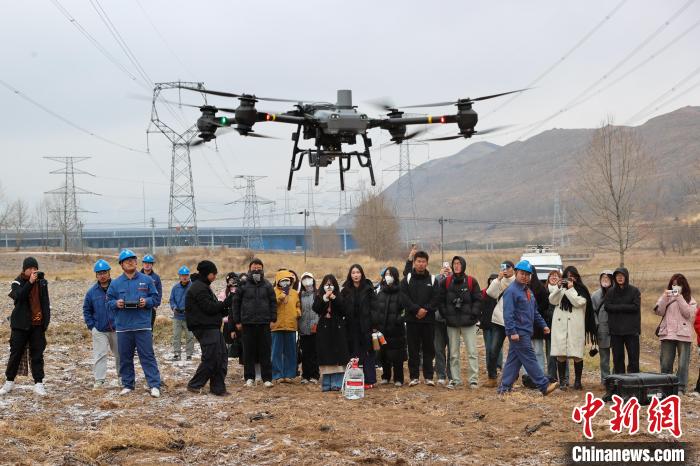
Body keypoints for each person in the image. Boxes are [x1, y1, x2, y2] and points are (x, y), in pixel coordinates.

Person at [498, 260, 558, 396]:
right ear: (516, 273)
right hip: (518, 332)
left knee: (513, 361)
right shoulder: (511, 291)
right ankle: (543, 385)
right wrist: (512, 331)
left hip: (526, 331)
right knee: (530, 358)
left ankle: (504, 388)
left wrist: (543, 325)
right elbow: (508, 314)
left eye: (527, 274)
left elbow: (534, 312)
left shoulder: (528, 291)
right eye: (522, 273)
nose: (524, 276)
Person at [106, 249, 162, 398]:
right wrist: (116, 303)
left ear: (136, 262)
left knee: (147, 356)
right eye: (127, 260)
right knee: (125, 356)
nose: (130, 262)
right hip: (124, 327)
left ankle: (154, 385)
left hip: (142, 326)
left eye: (133, 260)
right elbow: (108, 302)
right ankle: (128, 384)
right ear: (121, 265)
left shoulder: (147, 280)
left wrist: (147, 302)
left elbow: (156, 299)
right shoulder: (115, 283)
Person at [0, 257, 51, 397]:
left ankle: (39, 383)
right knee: (16, 353)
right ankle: (9, 381)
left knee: (37, 355)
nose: (34, 271)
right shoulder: (17, 282)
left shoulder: (42, 283)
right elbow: (19, 297)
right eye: (31, 269)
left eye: (35, 268)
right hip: (20, 325)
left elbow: (45, 303)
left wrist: (45, 323)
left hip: (37, 325)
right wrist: (29, 282)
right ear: (25, 269)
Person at [185, 260, 230, 396]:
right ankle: (195, 384)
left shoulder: (204, 286)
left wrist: (225, 308)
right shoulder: (198, 288)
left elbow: (214, 307)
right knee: (211, 357)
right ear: (207, 274)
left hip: (212, 327)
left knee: (221, 356)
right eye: (213, 274)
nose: (215, 277)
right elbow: (209, 308)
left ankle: (218, 388)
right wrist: (226, 302)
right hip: (204, 328)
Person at [438, 256, 482, 390]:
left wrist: (473, 314)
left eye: (459, 263)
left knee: (472, 352)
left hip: (468, 322)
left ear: (463, 265)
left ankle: (473, 379)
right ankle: (455, 380)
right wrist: (446, 315)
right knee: (454, 353)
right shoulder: (446, 282)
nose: (456, 266)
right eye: (454, 264)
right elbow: (440, 300)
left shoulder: (471, 281)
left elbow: (478, 300)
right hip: (452, 323)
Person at [232, 258, 276, 388]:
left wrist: (273, 319)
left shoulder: (267, 285)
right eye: (254, 267)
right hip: (248, 323)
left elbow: (273, 303)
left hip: (264, 323)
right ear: (249, 269)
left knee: (265, 351)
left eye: (259, 267)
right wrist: (237, 321)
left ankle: (267, 378)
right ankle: (249, 377)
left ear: (262, 269)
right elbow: (236, 303)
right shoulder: (243, 285)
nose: (256, 269)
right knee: (248, 352)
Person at [549, 266, 594, 390]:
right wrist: (559, 288)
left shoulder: (581, 290)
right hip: (560, 324)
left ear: (576, 277)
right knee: (560, 354)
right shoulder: (560, 289)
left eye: (572, 276)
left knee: (577, 355)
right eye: (567, 277)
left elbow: (578, 302)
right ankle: (562, 382)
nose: (570, 279)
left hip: (576, 325)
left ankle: (578, 382)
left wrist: (571, 289)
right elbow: (552, 300)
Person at [402, 247, 439, 386]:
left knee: (429, 348)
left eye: (423, 261)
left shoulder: (433, 279)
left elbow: (436, 298)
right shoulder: (408, 278)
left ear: (427, 263)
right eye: (418, 261)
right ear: (414, 263)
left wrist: (425, 310)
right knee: (413, 349)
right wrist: (416, 309)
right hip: (412, 320)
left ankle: (429, 377)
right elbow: (403, 296)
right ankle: (414, 377)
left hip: (428, 320)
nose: (421, 264)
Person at [654, 273, 697, 394]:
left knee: (683, 364)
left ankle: (681, 387)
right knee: (666, 362)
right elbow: (658, 311)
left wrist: (679, 297)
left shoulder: (690, 299)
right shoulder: (666, 297)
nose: (676, 287)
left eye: (678, 285)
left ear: (684, 286)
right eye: (674, 285)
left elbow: (688, 314)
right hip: (667, 333)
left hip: (684, 335)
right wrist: (664, 296)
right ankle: (665, 386)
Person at [82, 259, 120, 389]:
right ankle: (99, 380)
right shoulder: (91, 292)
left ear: (109, 273)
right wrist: (92, 326)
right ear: (96, 275)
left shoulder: (117, 288)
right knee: (100, 355)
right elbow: (87, 310)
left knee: (121, 354)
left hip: (117, 328)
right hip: (100, 330)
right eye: (99, 273)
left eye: (104, 272)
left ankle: (122, 378)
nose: (102, 275)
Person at [341, 264, 377, 389]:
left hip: (366, 326)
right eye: (353, 273)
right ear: (350, 275)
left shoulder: (368, 289)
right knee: (353, 353)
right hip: (351, 327)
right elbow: (342, 308)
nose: (356, 275)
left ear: (361, 274)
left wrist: (374, 325)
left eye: (358, 272)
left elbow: (374, 308)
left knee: (367, 353)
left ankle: (370, 380)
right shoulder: (345, 290)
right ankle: (352, 379)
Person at [372, 267, 407, 387]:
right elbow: (376, 309)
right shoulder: (380, 292)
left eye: (390, 274)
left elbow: (404, 310)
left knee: (397, 355)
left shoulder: (401, 292)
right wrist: (376, 323)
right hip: (382, 329)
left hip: (396, 329)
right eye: (386, 274)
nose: (388, 276)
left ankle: (399, 378)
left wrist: (399, 320)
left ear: (395, 276)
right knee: (383, 354)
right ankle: (386, 376)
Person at [313, 274, 349, 391]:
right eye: (327, 284)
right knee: (325, 355)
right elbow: (316, 308)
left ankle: (337, 383)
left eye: (331, 284)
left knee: (338, 356)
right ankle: (326, 384)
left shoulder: (340, 295)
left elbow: (344, 310)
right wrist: (324, 298)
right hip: (324, 328)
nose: (329, 286)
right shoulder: (319, 296)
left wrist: (334, 298)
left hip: (337, 328)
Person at [485, 260, 515, 387]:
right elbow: (490, 293)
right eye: (503, 267)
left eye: (508, 267)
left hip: (513, 321)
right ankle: (492, 377)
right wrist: (498, 279)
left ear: (513, 269)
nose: (506, 270)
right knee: (493, 350)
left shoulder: (517, 281)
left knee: (515, 351)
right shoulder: (500, 281)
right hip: (499, 320)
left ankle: (512, 377)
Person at [605, 267, 641, 374]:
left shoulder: (634, 291)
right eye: (617, 276)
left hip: (631, 331)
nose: (620, 278)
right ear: (615, 278)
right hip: (616, 331)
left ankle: (634, 383)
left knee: (634, 359)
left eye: (622, 276)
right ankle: (620, 384)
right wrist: (625, 307)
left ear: (626, 277)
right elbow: (607, 307)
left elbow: (635, 307)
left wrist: (616, 307)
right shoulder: (610, 292)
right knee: (618, 359)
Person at [521, 265, 552, 389]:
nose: (527, 276)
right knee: (525, 351)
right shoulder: (520, 287)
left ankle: (539, 375)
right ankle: (526, 375)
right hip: (524, 324)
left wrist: (533, 311)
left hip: (537, 324)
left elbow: (545, 305)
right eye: (525, 274)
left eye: (529, 274)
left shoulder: (540, 288)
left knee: (538, 351)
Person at [272, 269, 301, 383]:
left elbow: (298, 305)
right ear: (278, 281)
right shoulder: (273, 291)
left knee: (291, 352)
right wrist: (281, 297)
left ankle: (289, 375)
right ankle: (277, 375)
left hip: (291, 325)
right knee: (276, 352)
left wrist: (297, 312)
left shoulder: (294, 293)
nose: (286, 283)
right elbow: (272, 305)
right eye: (283, 281)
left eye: (288, 281)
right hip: (277, 325)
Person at [590, 270, 614, 384]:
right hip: (602, 330)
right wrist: (596, 325)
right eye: (603, 278)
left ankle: (616, 379)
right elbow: (592, 312)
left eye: (607, 278)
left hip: (616, 330)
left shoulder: (617, 293)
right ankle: (605, 381)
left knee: (618, 357)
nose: (605, 279)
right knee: (604, 359)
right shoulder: (595, 295)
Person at [298, 272, 320, 384]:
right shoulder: (299, 295)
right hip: (303, 328)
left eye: (309, 278)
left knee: (315, 353)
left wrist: (317, 323)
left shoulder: (318, 294)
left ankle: (315, 375)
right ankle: (305, 375)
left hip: (316, 328)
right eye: (304, 279)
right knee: (305, 353)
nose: (307, 281)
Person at [434, 263, 452, 386]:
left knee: (452, 350)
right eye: (444, 267)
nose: (446, 270)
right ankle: (441, 375)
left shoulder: (454, 280)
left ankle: (451, 375)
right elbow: (433, 291)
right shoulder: (436, 279)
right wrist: (439, 276)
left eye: (448, 267)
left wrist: (451, 275)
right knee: (438, 349)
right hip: (437, 320)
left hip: (451, 321)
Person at [170, 266, 194, 361]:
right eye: (182, 275)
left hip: (189, 317)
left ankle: (189, 354)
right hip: (177, 316)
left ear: (189, 276)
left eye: (186, 275)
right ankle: (176, 353)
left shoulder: (193, 287)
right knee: (176, 336)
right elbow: (172, 299)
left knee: (190, 336)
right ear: (179, 276)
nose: (184, 277)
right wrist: (174, 307)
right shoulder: (175, 288)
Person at [480, 273, 500, 383]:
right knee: (488, 347)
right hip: (486, 324)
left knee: (498, 347)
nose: (492, 281)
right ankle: (490, 368)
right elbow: (479, 307)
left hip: (498, 324)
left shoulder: (501, 292)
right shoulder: (484, 292)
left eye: (494, 279)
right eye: (491, 279)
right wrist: (479, 320)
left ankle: (498, 366)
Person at [141, 254, 162, 329]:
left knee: (149, 328)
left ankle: (149, 340)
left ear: (152, 264)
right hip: (139, 306)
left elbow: (159, 292)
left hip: (151, 307)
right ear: (142, 264)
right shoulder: (137, 276)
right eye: (145, 263)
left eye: (149, 263)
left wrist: (156, 305)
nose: (147, 265)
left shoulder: (156, 278)